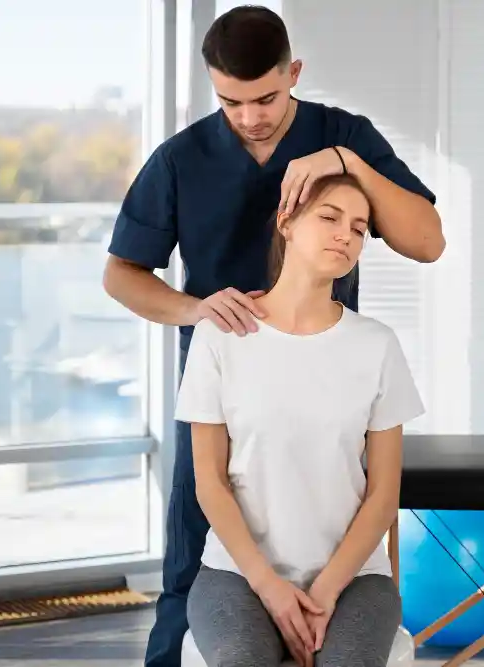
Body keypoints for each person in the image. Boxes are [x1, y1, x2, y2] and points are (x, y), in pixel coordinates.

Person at [102, 6, 443, 666]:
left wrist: (349, 162)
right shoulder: (183, 158)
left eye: (266, 97)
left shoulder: (344, 137)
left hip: (326, 373)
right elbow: (122, 274)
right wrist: (196, 311)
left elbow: (426, 239)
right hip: (224, 377)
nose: (251, 116)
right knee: (194, 562)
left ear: (295, 73)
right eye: (232, 100)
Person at [178, 173, 423, 667]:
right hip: (236, 574)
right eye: (330, 217)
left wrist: (326, 593)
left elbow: (383, 495)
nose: (345, 235)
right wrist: (269, 588)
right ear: (286, 223)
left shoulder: (376, 344)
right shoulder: (221, 336)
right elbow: (209, 483)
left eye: (359, 228)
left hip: (354, 580)